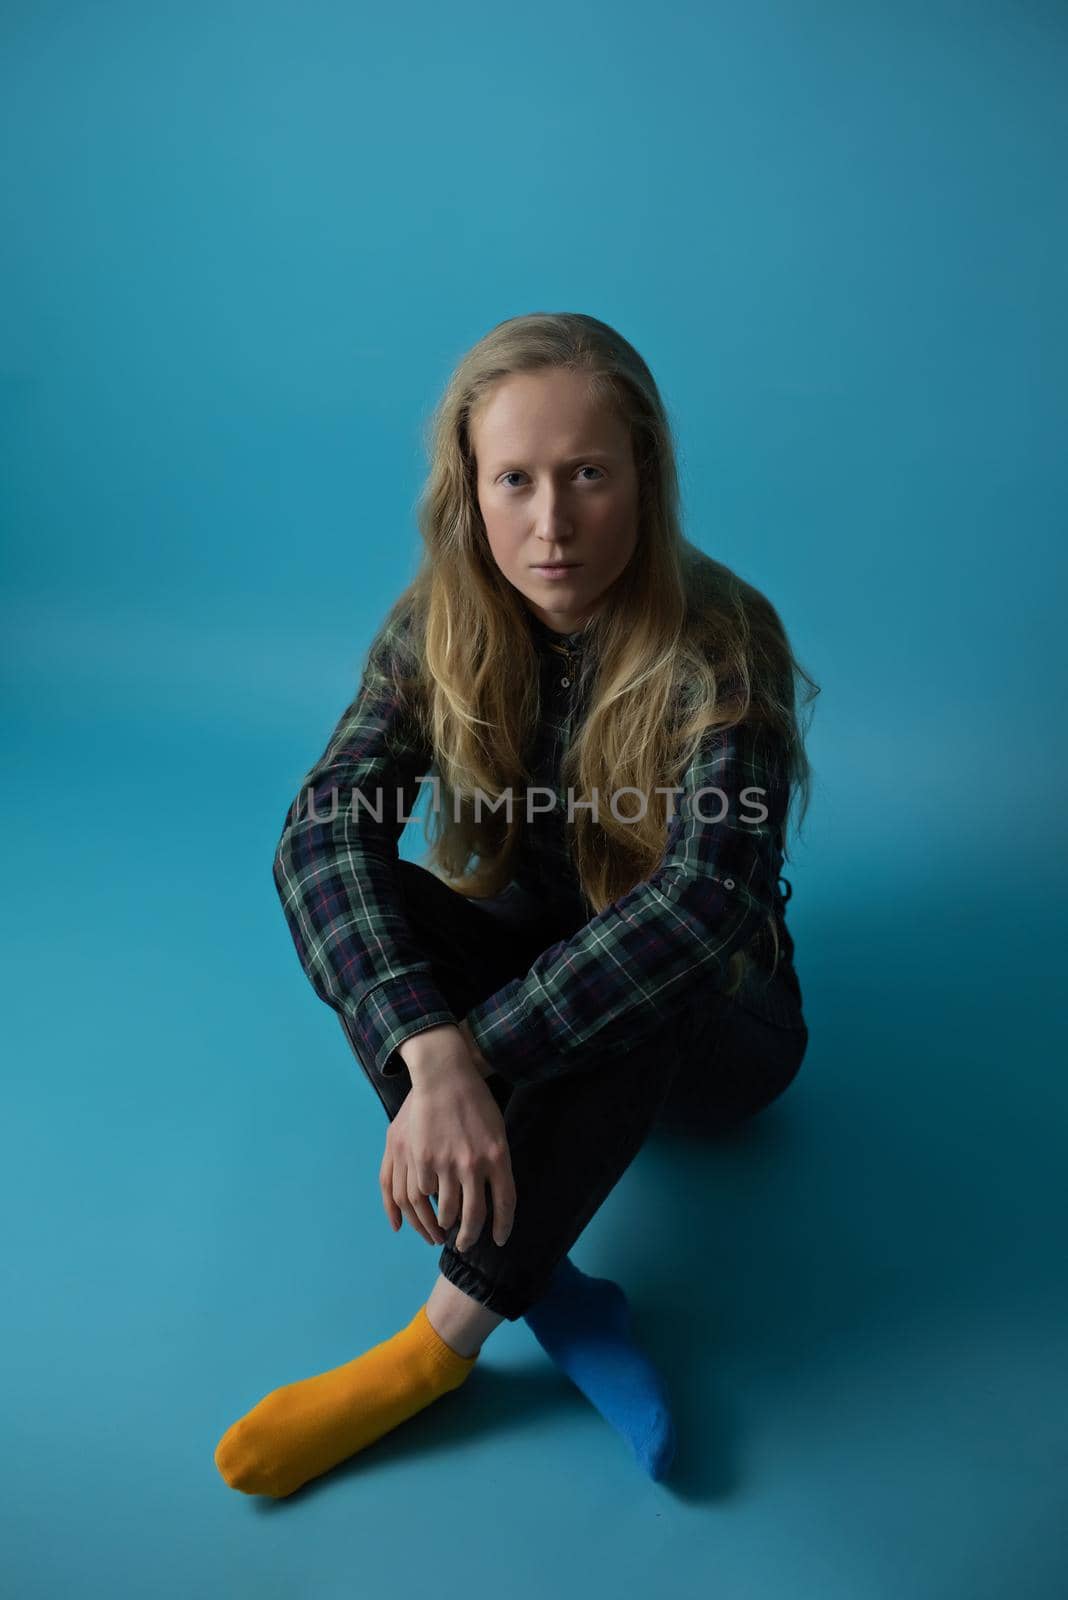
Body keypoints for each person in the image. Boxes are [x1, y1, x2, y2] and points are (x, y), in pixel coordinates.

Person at [214, 311, 819, 1499]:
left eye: (588, 474)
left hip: (721, 1029)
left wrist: (460, 1060)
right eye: (517, 480)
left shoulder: (723, 642)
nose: (552, 523)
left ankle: (439, 1343)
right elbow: (323, 832)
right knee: (363, 907)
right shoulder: (437, 619)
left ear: (643, 474)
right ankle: (555, 1284)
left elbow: (699, 906)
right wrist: (424, 1042)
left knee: (646, 966)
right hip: (536, 952)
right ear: (471, 488)